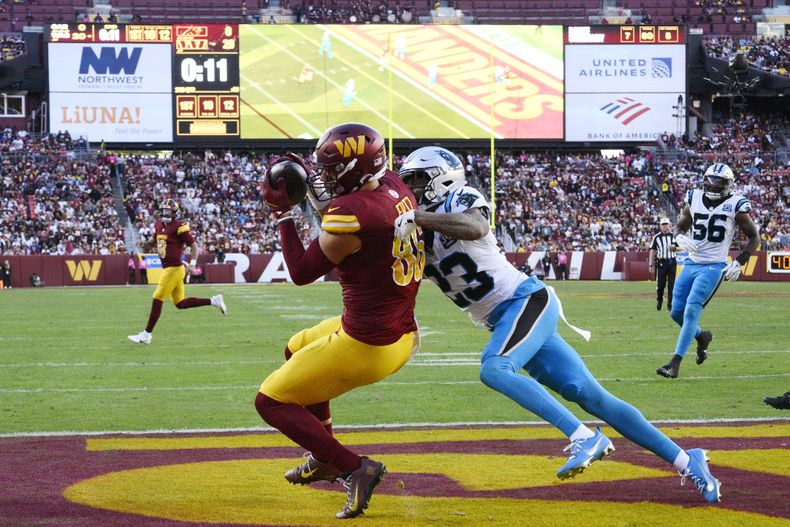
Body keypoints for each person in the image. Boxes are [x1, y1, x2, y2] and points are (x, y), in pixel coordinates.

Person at [394, 146, 721, 503]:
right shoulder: (416, 228)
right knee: (592, 396)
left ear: (441, 175)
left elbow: (476, 226)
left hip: (525, 300)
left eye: (417, 179)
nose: (411, 188)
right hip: (505, 318)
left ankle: (583, 437)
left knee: (495, 368)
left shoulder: (458, 198)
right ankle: (688, 460)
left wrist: (419, 218)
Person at [255, 123, 424, 519]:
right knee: (295, 348)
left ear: (355, 170)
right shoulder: (394, 186)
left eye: (332, 170)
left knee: (271, 401)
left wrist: (282, 215)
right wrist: (312, 196)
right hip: (400, 329)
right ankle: (324, 454)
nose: (325, 178)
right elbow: (345, 210)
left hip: (368, 345)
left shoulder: (353, 216)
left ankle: (353, 467)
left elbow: (300, 271)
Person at [657, 163, 759, 378]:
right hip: (691, 262)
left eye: (718, 182)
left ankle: (674, 363)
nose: (712, 185)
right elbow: (680, 225)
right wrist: (678, 236)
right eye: (710, 180)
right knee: (676, 312)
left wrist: (740, 261)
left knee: (692, 311)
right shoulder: (694, 197)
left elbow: (754, 237)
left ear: (727, 184)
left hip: (714, 265)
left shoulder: (735, 205)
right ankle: (702, 336)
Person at [127, 198, 226, 345]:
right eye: (164, 210)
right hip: (169, 268)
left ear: (174, 212)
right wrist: (143, 244)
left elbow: (194, 246)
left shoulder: (179, 226)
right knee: (180, 303)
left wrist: (192, 264)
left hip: (175, 268)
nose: (165, 213)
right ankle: (214, 301)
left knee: (157, 297)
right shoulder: (159, 224)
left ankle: (147, 334)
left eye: (168, 210)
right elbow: (153, 243)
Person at [648, 218, 677, 311]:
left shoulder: (674, 236)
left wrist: (675, 248)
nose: (665, 227)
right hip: (661, 262)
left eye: (666, 224)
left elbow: (681, 247)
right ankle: (660, 299)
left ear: (670, 225)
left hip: (672, 262)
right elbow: (652, 251)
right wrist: (651, 263)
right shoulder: (656, 237)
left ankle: (670, 305)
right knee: (660, 285)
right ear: (660, 226)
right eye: (663, 225)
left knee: (671, 286)